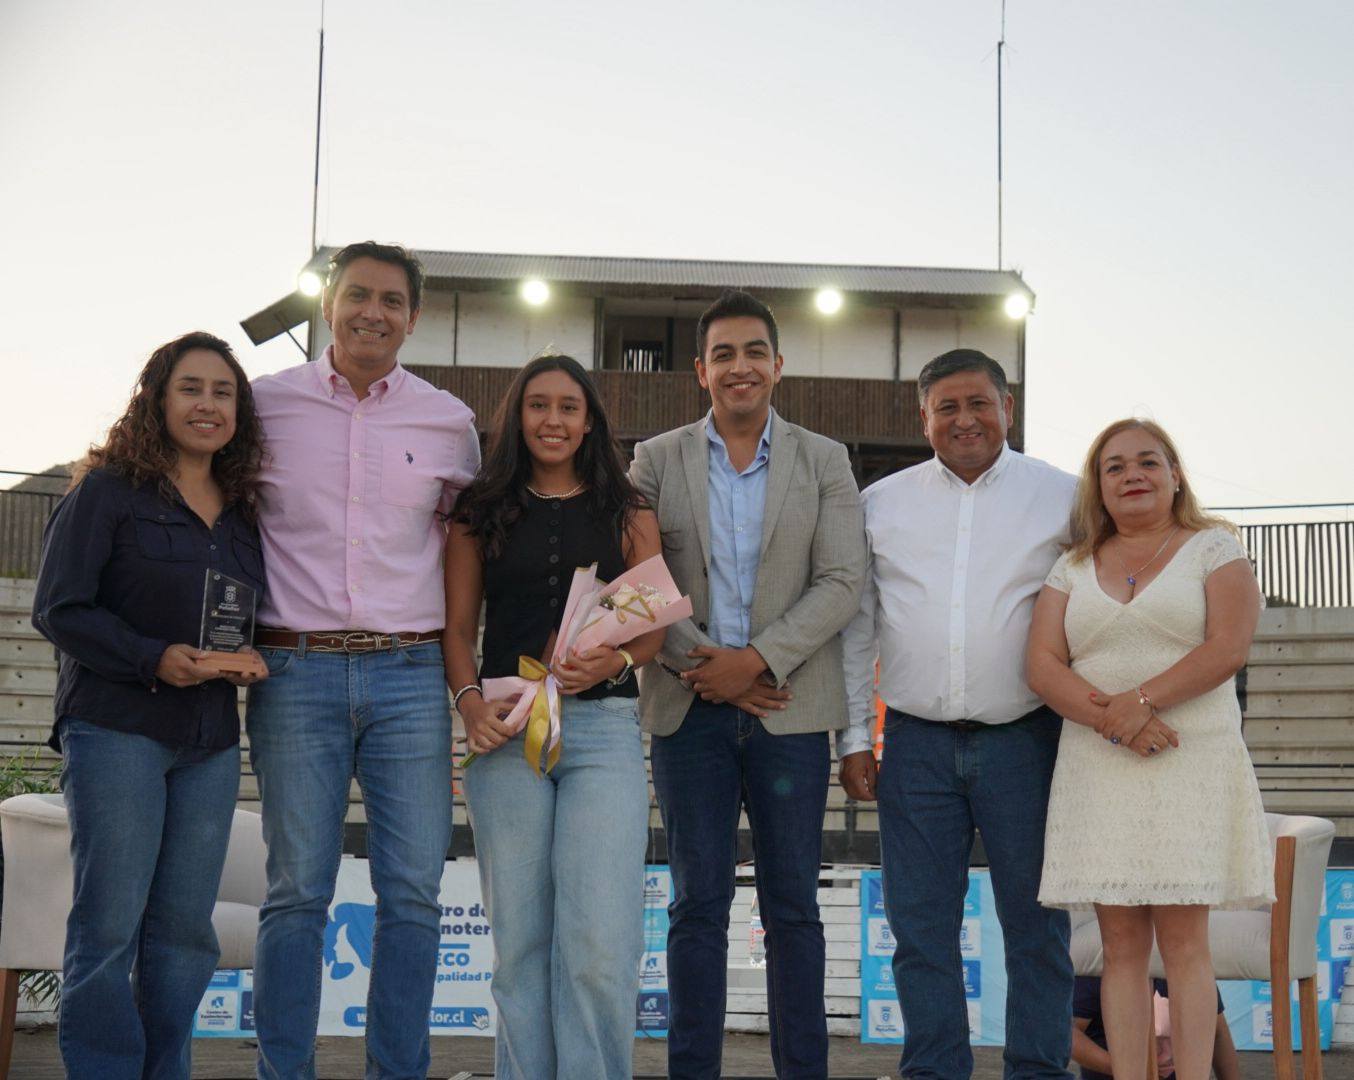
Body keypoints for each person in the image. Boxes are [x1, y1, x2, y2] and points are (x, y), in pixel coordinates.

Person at [245, 241, 481, 1080]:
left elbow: (467, 549)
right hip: (293, 672)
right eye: (357, 295)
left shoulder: (448, 422)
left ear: (413, 318)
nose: (371, 312)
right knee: (295, 894)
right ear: (328, 304)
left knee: (413, 894)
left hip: (410, 676)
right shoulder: (263, 405)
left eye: (390, 300)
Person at [630, 289, 867, 1079]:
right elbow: (640, 580)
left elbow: (842, 581)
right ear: (701, 370)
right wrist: (709, 670)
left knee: (792, 908)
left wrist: (756, 660)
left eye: (754, 352)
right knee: (696, 906)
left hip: (788, 710)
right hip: (687, 711)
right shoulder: (655, 459)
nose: (741, 367)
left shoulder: (824, 459)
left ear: (778, 364)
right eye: (723, 354)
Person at [32, 332, 266, 1079]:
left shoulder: (243, 511)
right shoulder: (106, 491)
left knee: (185, 933)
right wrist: (152, 656)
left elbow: (242, 615)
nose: (207, 404)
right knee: (109, 925)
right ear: (157, 400)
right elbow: (58, 608)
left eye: (223, 392)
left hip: (210, 740)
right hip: (117, 729)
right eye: (190, 388)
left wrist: (250, 655)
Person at [839, 348, 1078, 1079]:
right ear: (924, 418)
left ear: (1008, 408)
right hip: (915, 745)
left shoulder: (1065, 498)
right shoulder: (880, 503)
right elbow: (858, 627)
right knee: (919, 931)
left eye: (979, 403)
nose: (965, 419)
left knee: (1037, 928)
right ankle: (935, 1069)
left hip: (1028, 741)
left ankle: (1038, 1070)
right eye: (947, 407)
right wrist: (854, 736)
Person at [1029, 418, 1272, 1080]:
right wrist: (1118, 722)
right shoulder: (1071, 565)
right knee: (1121, 947)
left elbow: (1228, 646)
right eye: (1114, 466)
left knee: (1186, 945)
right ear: (1098, 486)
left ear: (1175, 475)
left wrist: (1142, 702)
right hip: (1100, 764)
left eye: (1147, 462)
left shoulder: (1214, 548)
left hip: (1188, 760)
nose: (1132, 474)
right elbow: (1043, 665)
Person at [444, 353, 664, 1079]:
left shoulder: (627, 510)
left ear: (590, 420)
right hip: (506, 731)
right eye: (538, 405)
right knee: (520, 945)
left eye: (570, 407)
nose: (554, 420)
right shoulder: (478, 511)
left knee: (599, 945)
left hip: (601, 733)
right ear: (517, 415)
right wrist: (470, 705)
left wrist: (614, 661)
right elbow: (457, 630)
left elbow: (652, 629)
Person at [1070, 977, 1239, 1080]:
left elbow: (1218, 1032)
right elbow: (1069, 1033)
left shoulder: (1190, 960)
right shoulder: (1100, 967)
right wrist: (1127, 1069)